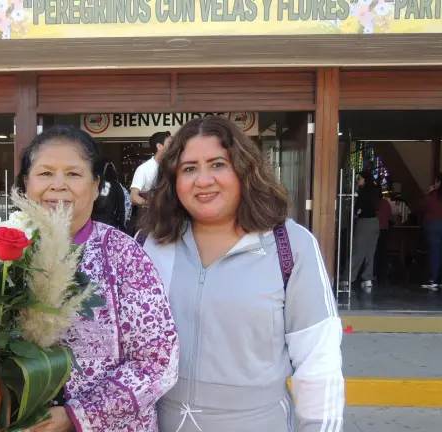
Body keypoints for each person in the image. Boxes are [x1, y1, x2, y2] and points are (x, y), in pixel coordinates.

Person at [140, 116, 344, 432]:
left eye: (218, 164)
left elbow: (318, 361)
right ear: (173, 180)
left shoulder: (290, 245)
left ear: (243, 170)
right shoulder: (151, 244)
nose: (203, 180)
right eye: (189, 168)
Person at [15, 125, 179, 431]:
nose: (58, 185)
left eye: (74, 174)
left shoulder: (124, 255)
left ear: (95, 186)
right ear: (26, 183)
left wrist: (79, 415)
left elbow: (158, 362)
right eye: (45, 173)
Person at [129, 131, 172, 232]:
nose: (173, 146)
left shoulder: (172, 167)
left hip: (169, 221)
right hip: (148, 220)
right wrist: (151, 203)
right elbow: (134, 197)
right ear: (159, 146)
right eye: (170, 143)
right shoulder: (144, 168)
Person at [350, 170, 382, 293]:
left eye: (360, 178)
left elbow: (357, 209)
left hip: (364, 222)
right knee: (370, 251)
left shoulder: (362, 193)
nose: (359, 180)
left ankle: (350, 277)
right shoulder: (375, 191)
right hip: (375, 222)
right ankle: (367, 278)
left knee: (358, 250)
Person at [91, 160, 128, 231]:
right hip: (108, 223)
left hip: (93, 222)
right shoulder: (116, 186)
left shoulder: (96, 184)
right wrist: (121, 225)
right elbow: (121, 208)